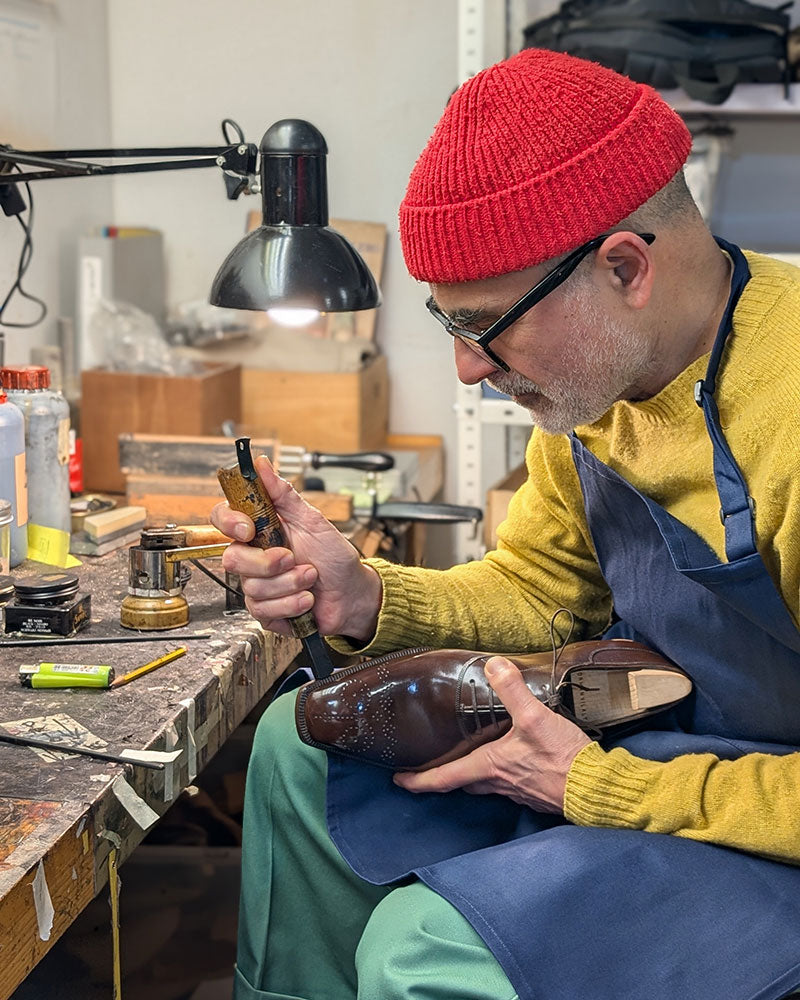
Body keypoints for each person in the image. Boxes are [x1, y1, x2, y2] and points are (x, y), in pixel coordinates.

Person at [212, 48, 800, 1000]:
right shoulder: (606, 386)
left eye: (486, 325)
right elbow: (540, 589)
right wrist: (365, 596)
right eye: (449, 325)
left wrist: (602, 790)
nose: (468, 368)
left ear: (624, 267)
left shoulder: (789, 412)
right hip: (664, 750)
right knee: (300, 748)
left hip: (766, 820)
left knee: (420, 953)